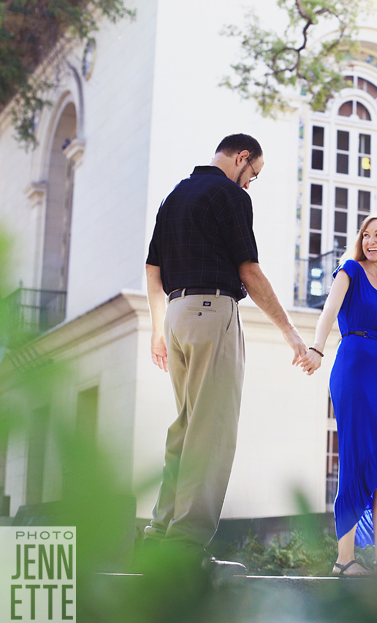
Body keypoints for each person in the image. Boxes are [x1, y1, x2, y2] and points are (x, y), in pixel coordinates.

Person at [143, 134, 306, 573]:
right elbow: (248, 271)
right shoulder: (230, 195)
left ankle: (160, 534)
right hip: (213, 310)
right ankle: (185, 547)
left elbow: (152, 269)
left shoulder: (173, 196)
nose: (250, 183)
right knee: (210, 433)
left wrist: (159, 329)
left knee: (184, 428)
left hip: (175, 317)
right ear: (241, 157)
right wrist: (291, 333)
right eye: (253, 174)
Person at [300, 213, 377, 577]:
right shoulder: (349, 269)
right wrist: (317, 349)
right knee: (355, 459)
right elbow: (330, 311)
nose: (370, 240)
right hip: (353, 371)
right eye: (366, 234)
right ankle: (343, 559)